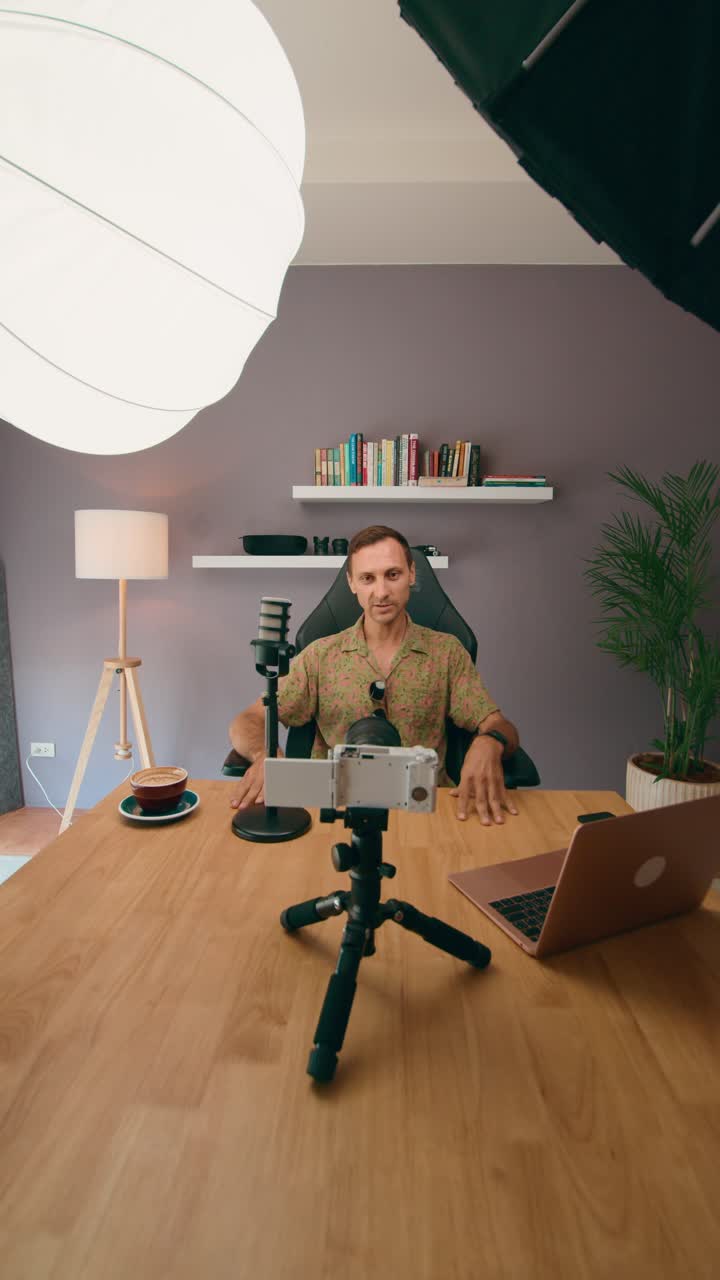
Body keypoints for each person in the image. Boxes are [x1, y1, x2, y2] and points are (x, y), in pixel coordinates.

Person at [228, 525, 520, 825]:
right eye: (367, 578)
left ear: (412, 574)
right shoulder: (319, 656)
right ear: (352, 583)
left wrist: (490, 742)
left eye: (393, 575)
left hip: (423, 809)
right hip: (335, 811)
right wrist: (265, 756)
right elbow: (248, 720)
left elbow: (499, 725)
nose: (381, 592)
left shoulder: (447, 653)